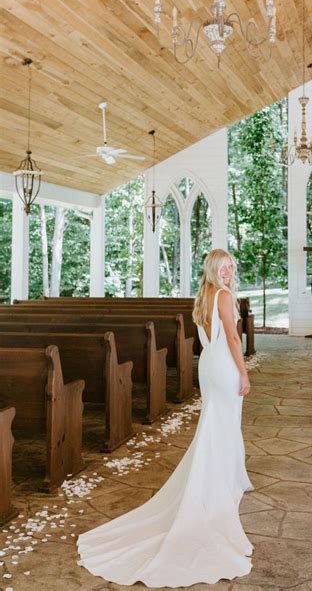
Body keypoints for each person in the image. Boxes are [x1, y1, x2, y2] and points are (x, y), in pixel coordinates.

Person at [77, 249, 253, 587]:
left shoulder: (204, 295)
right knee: (224, 424)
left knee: (216, 424)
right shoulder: (226, 296)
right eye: (223, 266)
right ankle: (218, 483)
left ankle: (229, 476)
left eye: (231, 265)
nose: (229, 271)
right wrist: (243, 372)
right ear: (213, 269)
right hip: (225, 366)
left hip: (209, 367)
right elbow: (232, 337)